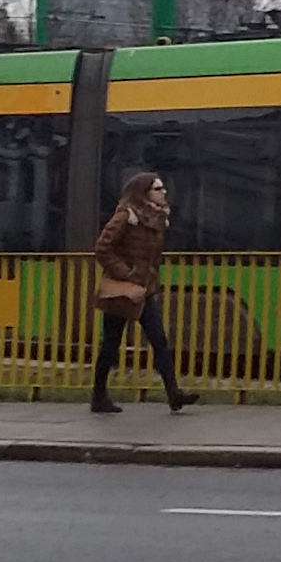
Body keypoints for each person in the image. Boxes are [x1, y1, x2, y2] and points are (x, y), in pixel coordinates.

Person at [89, 171, 195, 415]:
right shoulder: (126, 215)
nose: (164, 192)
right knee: (111, 344)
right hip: (124, 289)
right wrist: (126, 273)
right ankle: (98, 396)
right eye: (158, 189)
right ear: (144, 193)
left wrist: (147, 279)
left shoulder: (156, 219)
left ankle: (174, 394)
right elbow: (102, 247)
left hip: (144, 290)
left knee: (158, 339)